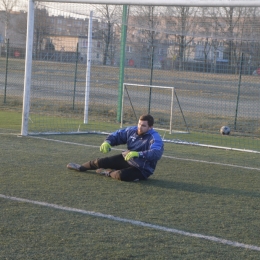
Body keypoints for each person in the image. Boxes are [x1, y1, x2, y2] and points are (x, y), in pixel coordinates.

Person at [67, 114, 164, 181]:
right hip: (128, 158)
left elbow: (156, 153)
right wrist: (107, 142)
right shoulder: (131, 130)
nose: (139, 127)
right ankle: (80, 167)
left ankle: (108, 172)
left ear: (150, 127)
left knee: (120, 175)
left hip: (142, 169)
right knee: (100, 162)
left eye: (143, 125)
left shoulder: (155, 138)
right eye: (139, 124)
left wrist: (139, 154)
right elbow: (117, 135)